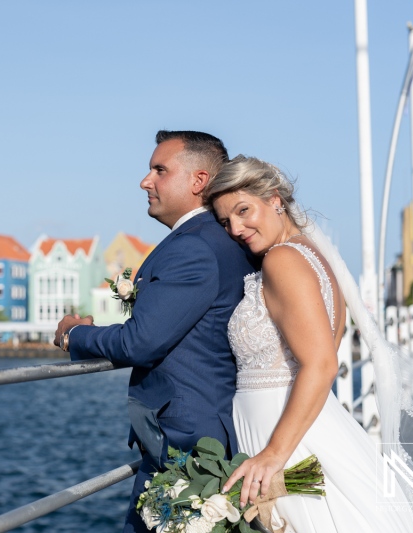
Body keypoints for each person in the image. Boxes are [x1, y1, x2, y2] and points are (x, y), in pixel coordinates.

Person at [207, 155, 413, 532]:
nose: (236, 228)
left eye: (243, 211)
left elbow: (322, 363)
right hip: (304, 426)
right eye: (226, 221)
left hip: (287, 440)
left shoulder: (282, 261)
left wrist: (274, 454)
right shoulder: (312, 254)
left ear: (274, 199)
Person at [53, 131, 255, 533]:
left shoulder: (194, 246)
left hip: (187, 443)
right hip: (201, 429)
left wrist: (74, 336)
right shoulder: (221, 241)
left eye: (159, 170)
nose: (146, 181)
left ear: (198, 181)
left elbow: (140, 341)